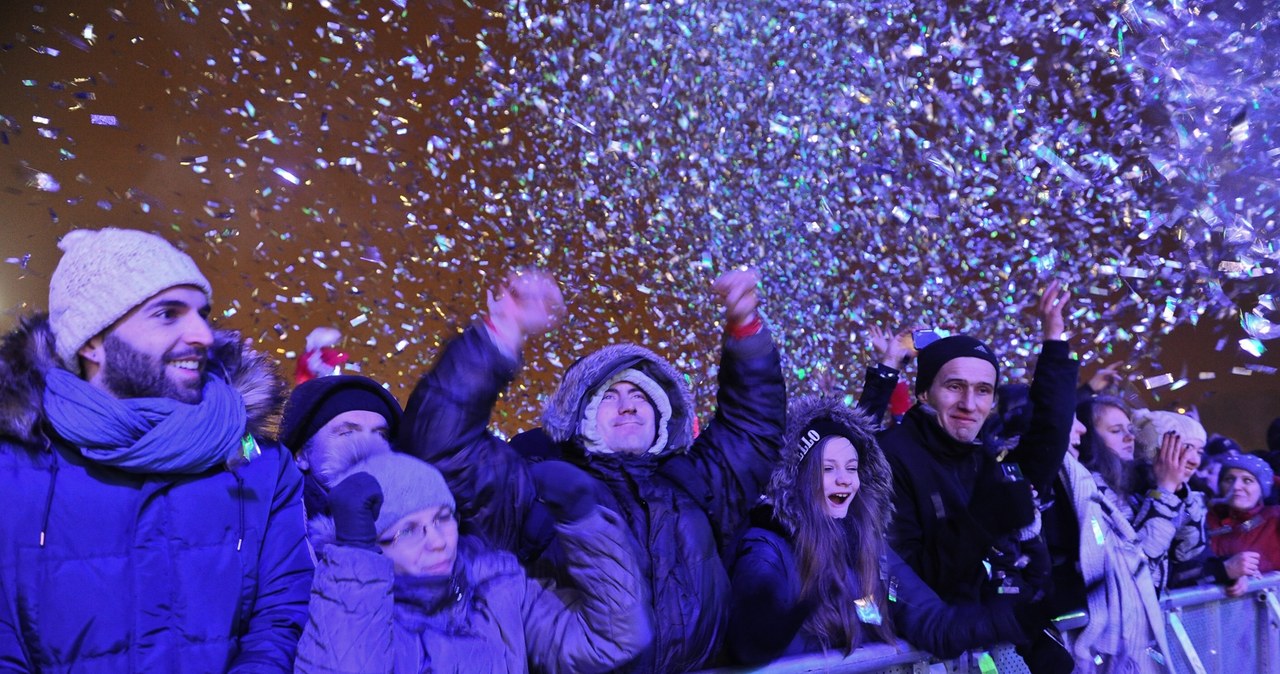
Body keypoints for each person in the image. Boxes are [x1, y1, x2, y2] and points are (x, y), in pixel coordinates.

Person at [401, 268, 786, 672]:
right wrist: (499, 333)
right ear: (580, 415)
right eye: (610, 396)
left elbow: (753, 426)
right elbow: (441, 445)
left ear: (662, 415)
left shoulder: (698, 485)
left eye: (640, 395)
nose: (628, 406)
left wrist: (746, 329)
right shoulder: (539, 489)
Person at [0, 228, 313, 672]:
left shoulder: (260, 466)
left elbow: (280, 618)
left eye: (202, 313)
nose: (203, 334)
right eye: (168, 314)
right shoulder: (13, 468)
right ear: (92, 340)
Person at [726, 396, 1032, 665]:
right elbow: (749, 644)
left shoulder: (870, 548)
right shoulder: (767, 547)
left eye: (852, 467)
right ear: (799, 479)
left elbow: (932, 622)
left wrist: (1013, 619)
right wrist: (796, 607)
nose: (845, 479)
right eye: (828, 468)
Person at [295, 451, 652, 673]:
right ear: (372, 544)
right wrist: (354, 561)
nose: (437, 542)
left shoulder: (497, 586)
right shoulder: (348, 608)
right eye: (407, 531)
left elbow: (610, 641)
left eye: (442, 518)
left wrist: (585, 524)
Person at [879, 281, 1078, 672]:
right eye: (955, 387)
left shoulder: (983, 460)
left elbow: (1048, 441)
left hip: (988, 651)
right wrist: (983, 523)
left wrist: (1054, 341)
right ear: (924, 394)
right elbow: (909, 580)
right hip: (925, 658)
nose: (969, 404)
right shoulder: (888, 459)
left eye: (983, 391)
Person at [1057, 408, 1171, 673]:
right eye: (1116, 431)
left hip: (1137, 634)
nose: (1129, 438)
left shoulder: (1132, 488)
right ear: (1091, 438)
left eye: (1130, 430)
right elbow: (1141, 558)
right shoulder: (1092, 490)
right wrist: (1167, 489)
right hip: (1108, 642)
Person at [279, 374, 403, 518]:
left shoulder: (411, 514)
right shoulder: (268, 521)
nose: (367, 446)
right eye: (347, 433)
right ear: (301, 455)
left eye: (379, 435)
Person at [1131, 408, 1209, 591]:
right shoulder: (1125, 494)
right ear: (1157, 448)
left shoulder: (1189, 495)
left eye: (1200, 452)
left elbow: (1187, 553)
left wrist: (1178, 493)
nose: (1195, 460)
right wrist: (1164, 490)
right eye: (1187, 446)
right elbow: (1141, 562)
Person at [1206, 453, 1280, 597]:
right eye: (1229, 479)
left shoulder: (1274, 518)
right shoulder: (1208, 519)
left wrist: (1274, 480)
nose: (1236, 486)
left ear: (1262, 489)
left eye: (1247, 480)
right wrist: (1227, 572)